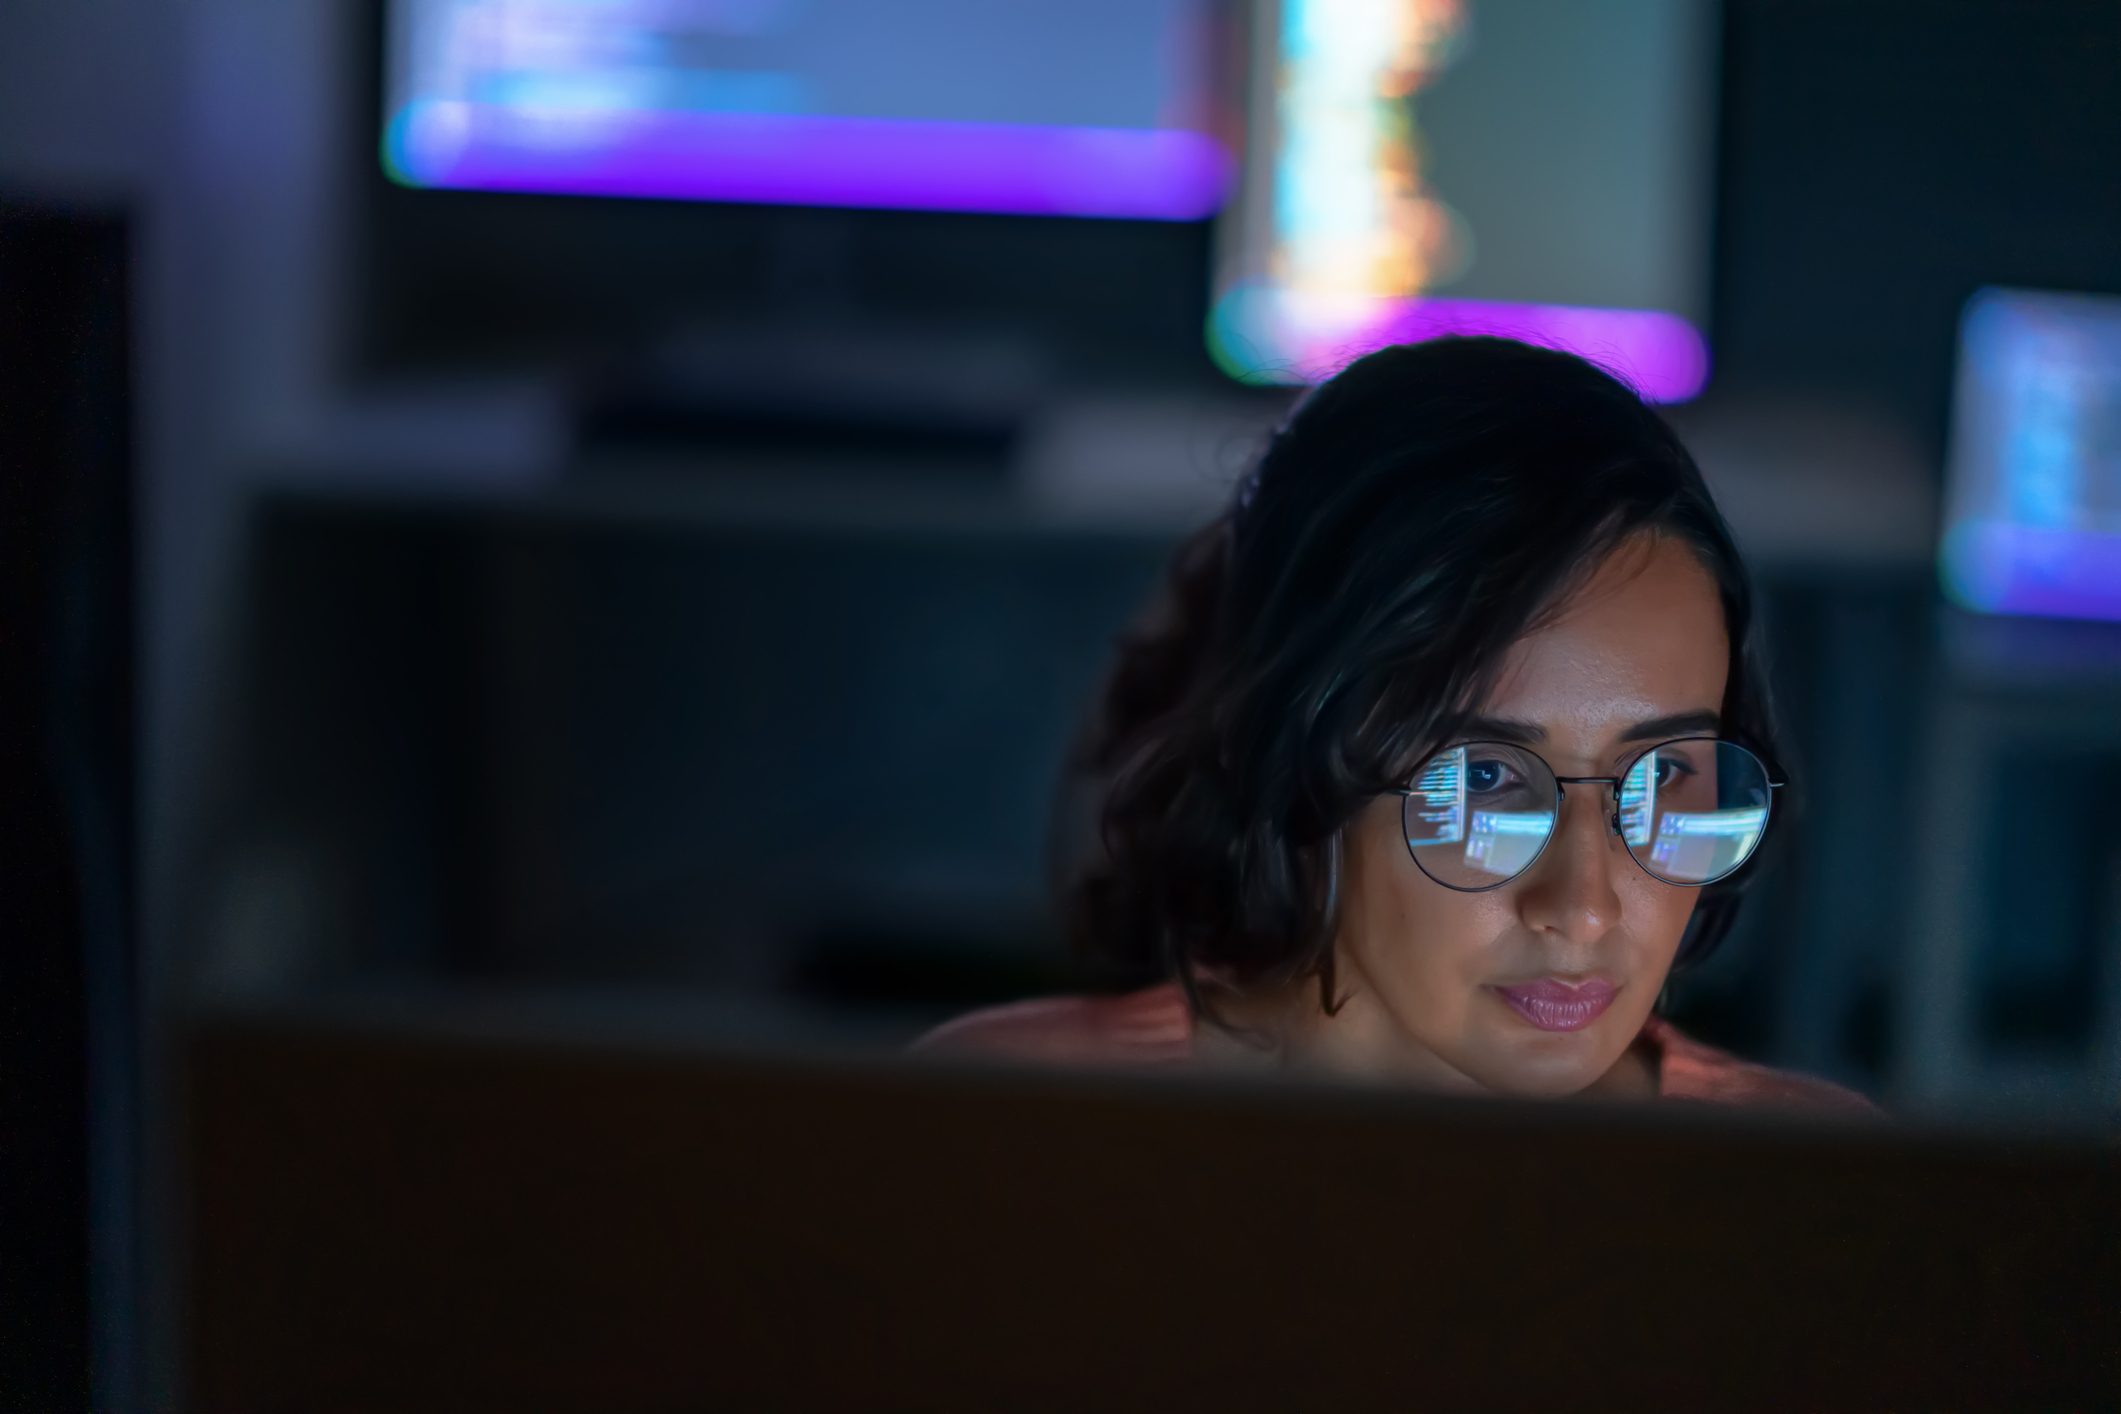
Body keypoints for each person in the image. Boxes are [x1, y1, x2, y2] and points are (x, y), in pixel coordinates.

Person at [919, 337, 1869, 1110]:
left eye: (1663, 776)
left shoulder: (1812, 1192)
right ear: (1296, 761)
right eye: (1487, 778)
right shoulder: (1005, 1129)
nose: (1583, 906)